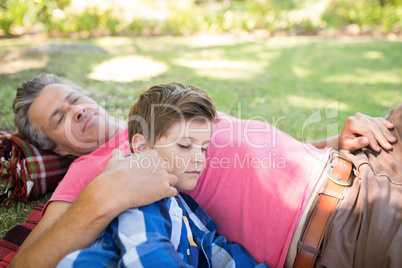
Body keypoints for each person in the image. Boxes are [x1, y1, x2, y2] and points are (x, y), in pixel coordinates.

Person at [9, 74, 397, 267]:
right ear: (55, 147)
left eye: (74, 99)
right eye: (59, 117)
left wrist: (335, 141)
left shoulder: (158, 106)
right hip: (346, 225)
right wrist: (100, 198)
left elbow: (260, 154)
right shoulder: (92, 170)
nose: (76, 110)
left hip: (363, 160)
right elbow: (28, 262)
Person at [58, 82, 266, 267]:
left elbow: (213, 249)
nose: (199, 158)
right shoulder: (135, 186)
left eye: (203, 148)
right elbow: (147, 254)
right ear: (142, 146)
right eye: (185, 145)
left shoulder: (181, 205)